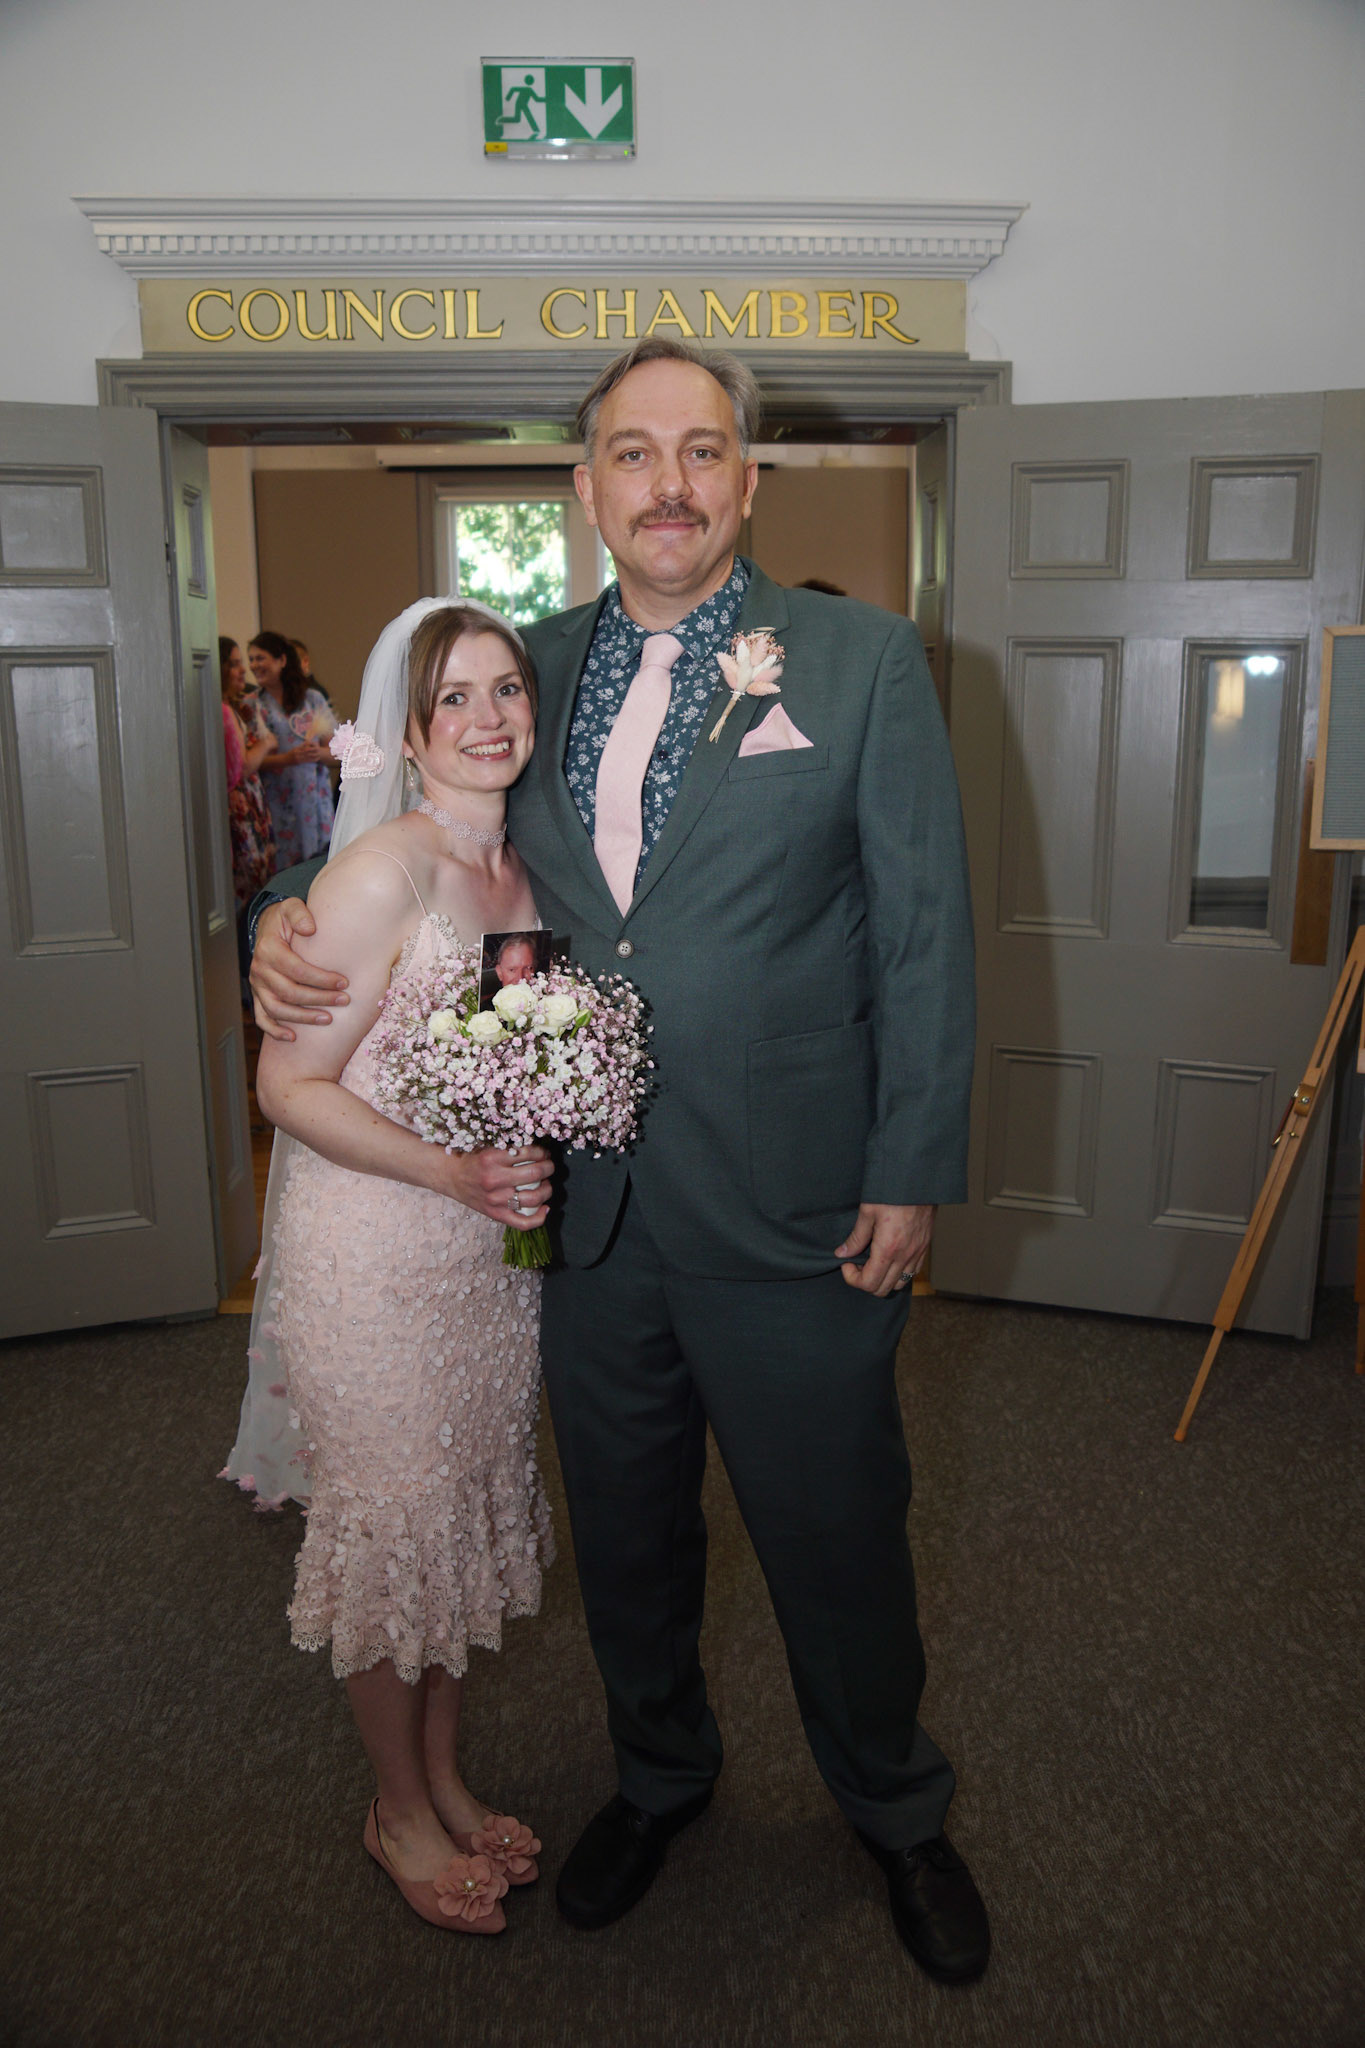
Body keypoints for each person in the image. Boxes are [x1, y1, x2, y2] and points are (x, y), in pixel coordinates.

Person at [248, 338, 989, 1984]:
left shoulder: (863, 661)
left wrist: (911, 1163)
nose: (669, 483)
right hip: (583, 1213)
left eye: (701, 450)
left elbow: (925, 930)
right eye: (633, 453)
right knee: (631, 1539)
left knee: (837, 1530)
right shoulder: (529, 664)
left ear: (747, 478)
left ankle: (894, 1806)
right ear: (584, 486)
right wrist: (282, 926)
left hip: (799, 1203)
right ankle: (659, 1777)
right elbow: (426, 836)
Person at [225, 600, 556, 1935]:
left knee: (461, 1521)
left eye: (506, 689)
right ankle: (395, 1809)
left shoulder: (524, 869)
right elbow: (285, 1084)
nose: (487, 718)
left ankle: (445, 1776)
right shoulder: (379, 874)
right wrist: (447, 1172)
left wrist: (517, 1168)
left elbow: (517, 1053)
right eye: (453, 697)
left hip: (488, 1262)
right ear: (406, 733)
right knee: (389, 1535)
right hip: (372, 1253)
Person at [251, 630, 336, 866]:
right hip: (275, 805)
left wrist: (318, 754)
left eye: (260, 658)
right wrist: (288, 759)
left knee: (318, 869)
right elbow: (247, 763)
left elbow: (337, 753)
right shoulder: (253, 705)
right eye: (251, 660)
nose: (254, 665)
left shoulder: (312, 700)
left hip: (314, 804)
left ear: (281, 660)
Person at [219, 637, 277, 913]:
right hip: (240, 807)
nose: (244, 670)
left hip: (250, 803)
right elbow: (241, 767)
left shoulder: (232, 707)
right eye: (234, 664)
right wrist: (265, 744)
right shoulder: (224, 712)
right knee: (249, 886)